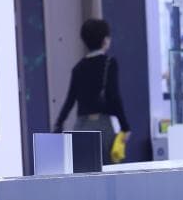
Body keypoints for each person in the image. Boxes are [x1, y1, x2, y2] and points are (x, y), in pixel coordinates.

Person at [53, 18, 130, 163]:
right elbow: (114, 97)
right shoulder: (109, 64)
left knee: (84, 169)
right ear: (105, 41)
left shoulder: (78, 68)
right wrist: (125, 127)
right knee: (108, 171)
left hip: (81, 127)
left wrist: (59, 123)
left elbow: (70, 100)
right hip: (104, 126)